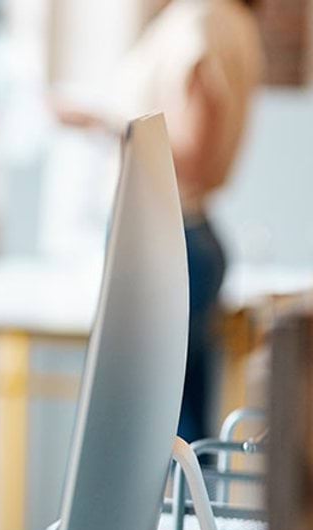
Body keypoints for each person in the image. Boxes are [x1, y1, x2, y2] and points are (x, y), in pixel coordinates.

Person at [54, 0, 264, 443]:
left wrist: (97, 121)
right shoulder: (231, 22)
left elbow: (189, 154)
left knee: (158, 436)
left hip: (167, 239)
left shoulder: (202, 24)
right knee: (177, 426)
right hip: (186, 234)